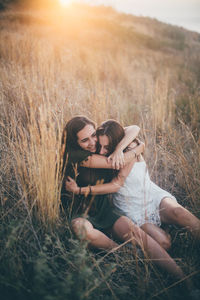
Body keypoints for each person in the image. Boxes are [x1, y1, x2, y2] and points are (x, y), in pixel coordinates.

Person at [62, 116, 192, 284]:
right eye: (85, 140)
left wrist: (122, 148)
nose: (92, 142)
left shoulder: (102, 145)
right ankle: (126, 252)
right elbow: (113, 163)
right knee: (83, 230)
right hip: (81, 211)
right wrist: (138, 148)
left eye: (93, 135)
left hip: (106, 209)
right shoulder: (76, 154)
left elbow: (133, 129)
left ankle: (184, 280)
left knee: (139, 236)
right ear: (75, 141)